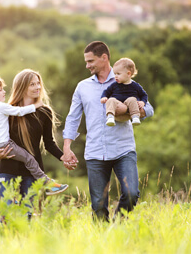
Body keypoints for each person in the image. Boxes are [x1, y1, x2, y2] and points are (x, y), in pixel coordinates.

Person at [61, 41, 154, 221]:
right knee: (98, 205)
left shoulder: (127, 81)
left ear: (104, 58)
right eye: (86, 62)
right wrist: (67, 147)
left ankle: (117, 227)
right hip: (95, 152)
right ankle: (103, 243)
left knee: (131, 193)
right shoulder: (83, 87)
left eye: (90, 61)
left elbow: (149, 109)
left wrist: (133, 110)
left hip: (123, 149)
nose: (87, 65)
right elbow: (73, 118)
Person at [0, 71, 68, 198]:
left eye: (38, 83)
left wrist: (63, 157)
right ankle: (47, 183)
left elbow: (49, 143)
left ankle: (47, 183)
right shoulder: (9, 110)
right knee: (8, 214)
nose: (37, 87)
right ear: (22, 87)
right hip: (8, 170)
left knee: (27, 214)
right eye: (32, 84)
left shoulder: (44, 112)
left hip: (31, 173)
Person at [100, 57, 148, 127]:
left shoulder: (135, 86)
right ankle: (110, 117)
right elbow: (106, 91)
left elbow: (144, 95)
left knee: (132, 99)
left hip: (128, 112)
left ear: (128, 74)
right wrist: (104, 97)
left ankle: (135, 117)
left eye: (118, 74)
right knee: (111, 100)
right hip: (117, 109)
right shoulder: (114, 85)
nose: (115, 76)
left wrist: (143, 102)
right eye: (115, 74)